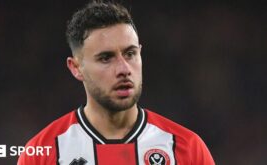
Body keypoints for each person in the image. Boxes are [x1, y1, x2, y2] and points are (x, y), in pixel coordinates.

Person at [18, 1, 215, 165]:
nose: (124, 69)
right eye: (106, 58)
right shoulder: (41, 153)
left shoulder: (187, 148)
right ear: (76, 68)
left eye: (130, 54)